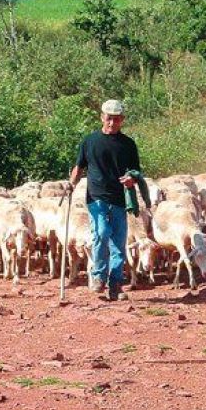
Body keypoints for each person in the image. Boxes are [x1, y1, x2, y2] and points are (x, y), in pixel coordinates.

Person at [70, 99, 141, 301]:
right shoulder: (90, 141)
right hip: (96, 197)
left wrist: (132, 179)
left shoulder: (128, 144)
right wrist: (71, 183)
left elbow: (136, 171)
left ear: (122, 120)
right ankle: (99, 276)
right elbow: (79, 166)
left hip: (119, 199)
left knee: (118, 243)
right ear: (102, 117)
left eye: (116, 119)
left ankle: (115, 284)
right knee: (101, 233)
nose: (112, 123)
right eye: (109, 118)